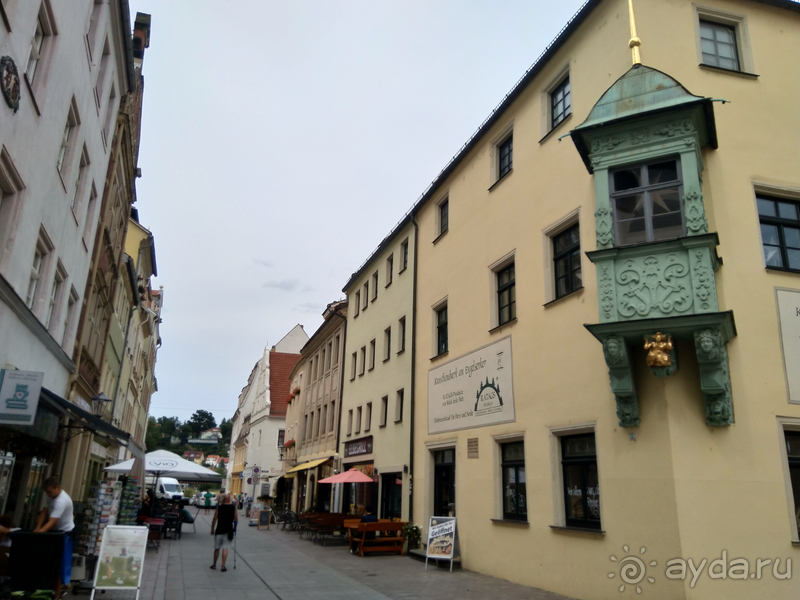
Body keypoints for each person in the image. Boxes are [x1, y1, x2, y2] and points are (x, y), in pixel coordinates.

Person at [34, 476, 74, 597]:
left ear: (58, 487)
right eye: (46, 492)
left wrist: (40, 533)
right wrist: (37, 528)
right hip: (55, 530)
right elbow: (44, 511)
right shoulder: (51, 496)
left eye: (50, 492)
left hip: (65, 532)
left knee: (60, 563)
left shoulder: (62, 500)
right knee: (49, 561)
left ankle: (58, 594)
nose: (48, 494)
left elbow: (52, 521)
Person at [210, 493, 237, 572]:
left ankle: (214, 564)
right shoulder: (233, 507)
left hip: (219, 530)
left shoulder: (219, 508)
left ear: (223, 499)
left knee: (217, 548)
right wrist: (235, 529)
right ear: (229, 500)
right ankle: (222, 566)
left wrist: (212, 529)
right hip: (228, 531)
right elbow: (236, 519)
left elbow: (214, 519)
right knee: (225, 548)